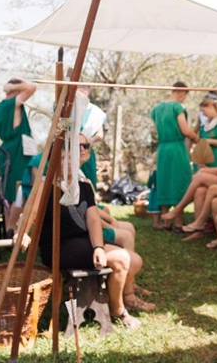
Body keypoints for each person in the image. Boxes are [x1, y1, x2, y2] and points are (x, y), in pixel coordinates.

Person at [38, 134, 153, 331]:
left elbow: (92, 219)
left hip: (83, 242)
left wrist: (99, 247)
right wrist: (21, 233)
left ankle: (112, 295)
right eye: (62, 158)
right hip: (59, 247)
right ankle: (118, 310)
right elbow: (29, 214)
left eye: (71, 157)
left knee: (135, 261)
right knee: (121, 259)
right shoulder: (45, 187)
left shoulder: (83, 186)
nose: (67, 163)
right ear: (53, 160)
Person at [161, 96, 217, 225]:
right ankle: (200, 224)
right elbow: (194, 137)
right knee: (200, 191)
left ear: (211, 107)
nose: (203, 113)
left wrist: (208, 141)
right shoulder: (204, 122)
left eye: (204, 110)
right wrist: (187, 153)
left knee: (202, 183)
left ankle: (180, 209)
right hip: (203, 159)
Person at [149, 82, 199, 230]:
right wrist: (196, 138)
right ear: (182, 93)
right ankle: (178, 222)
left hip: (163, 149)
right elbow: (184, 129)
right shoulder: (177, 107)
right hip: (177, 147)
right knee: (179, 181)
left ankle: (166, 221)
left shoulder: (156, 109)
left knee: (164, 181)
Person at [0, 78, 36, 236]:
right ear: (16, 91)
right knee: (20, 190)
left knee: (10, 193)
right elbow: (31, 87)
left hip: (8, 150)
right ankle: (11, 228)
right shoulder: (13, 104)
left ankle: (8, 228)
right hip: (17, 152)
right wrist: (9, 86)